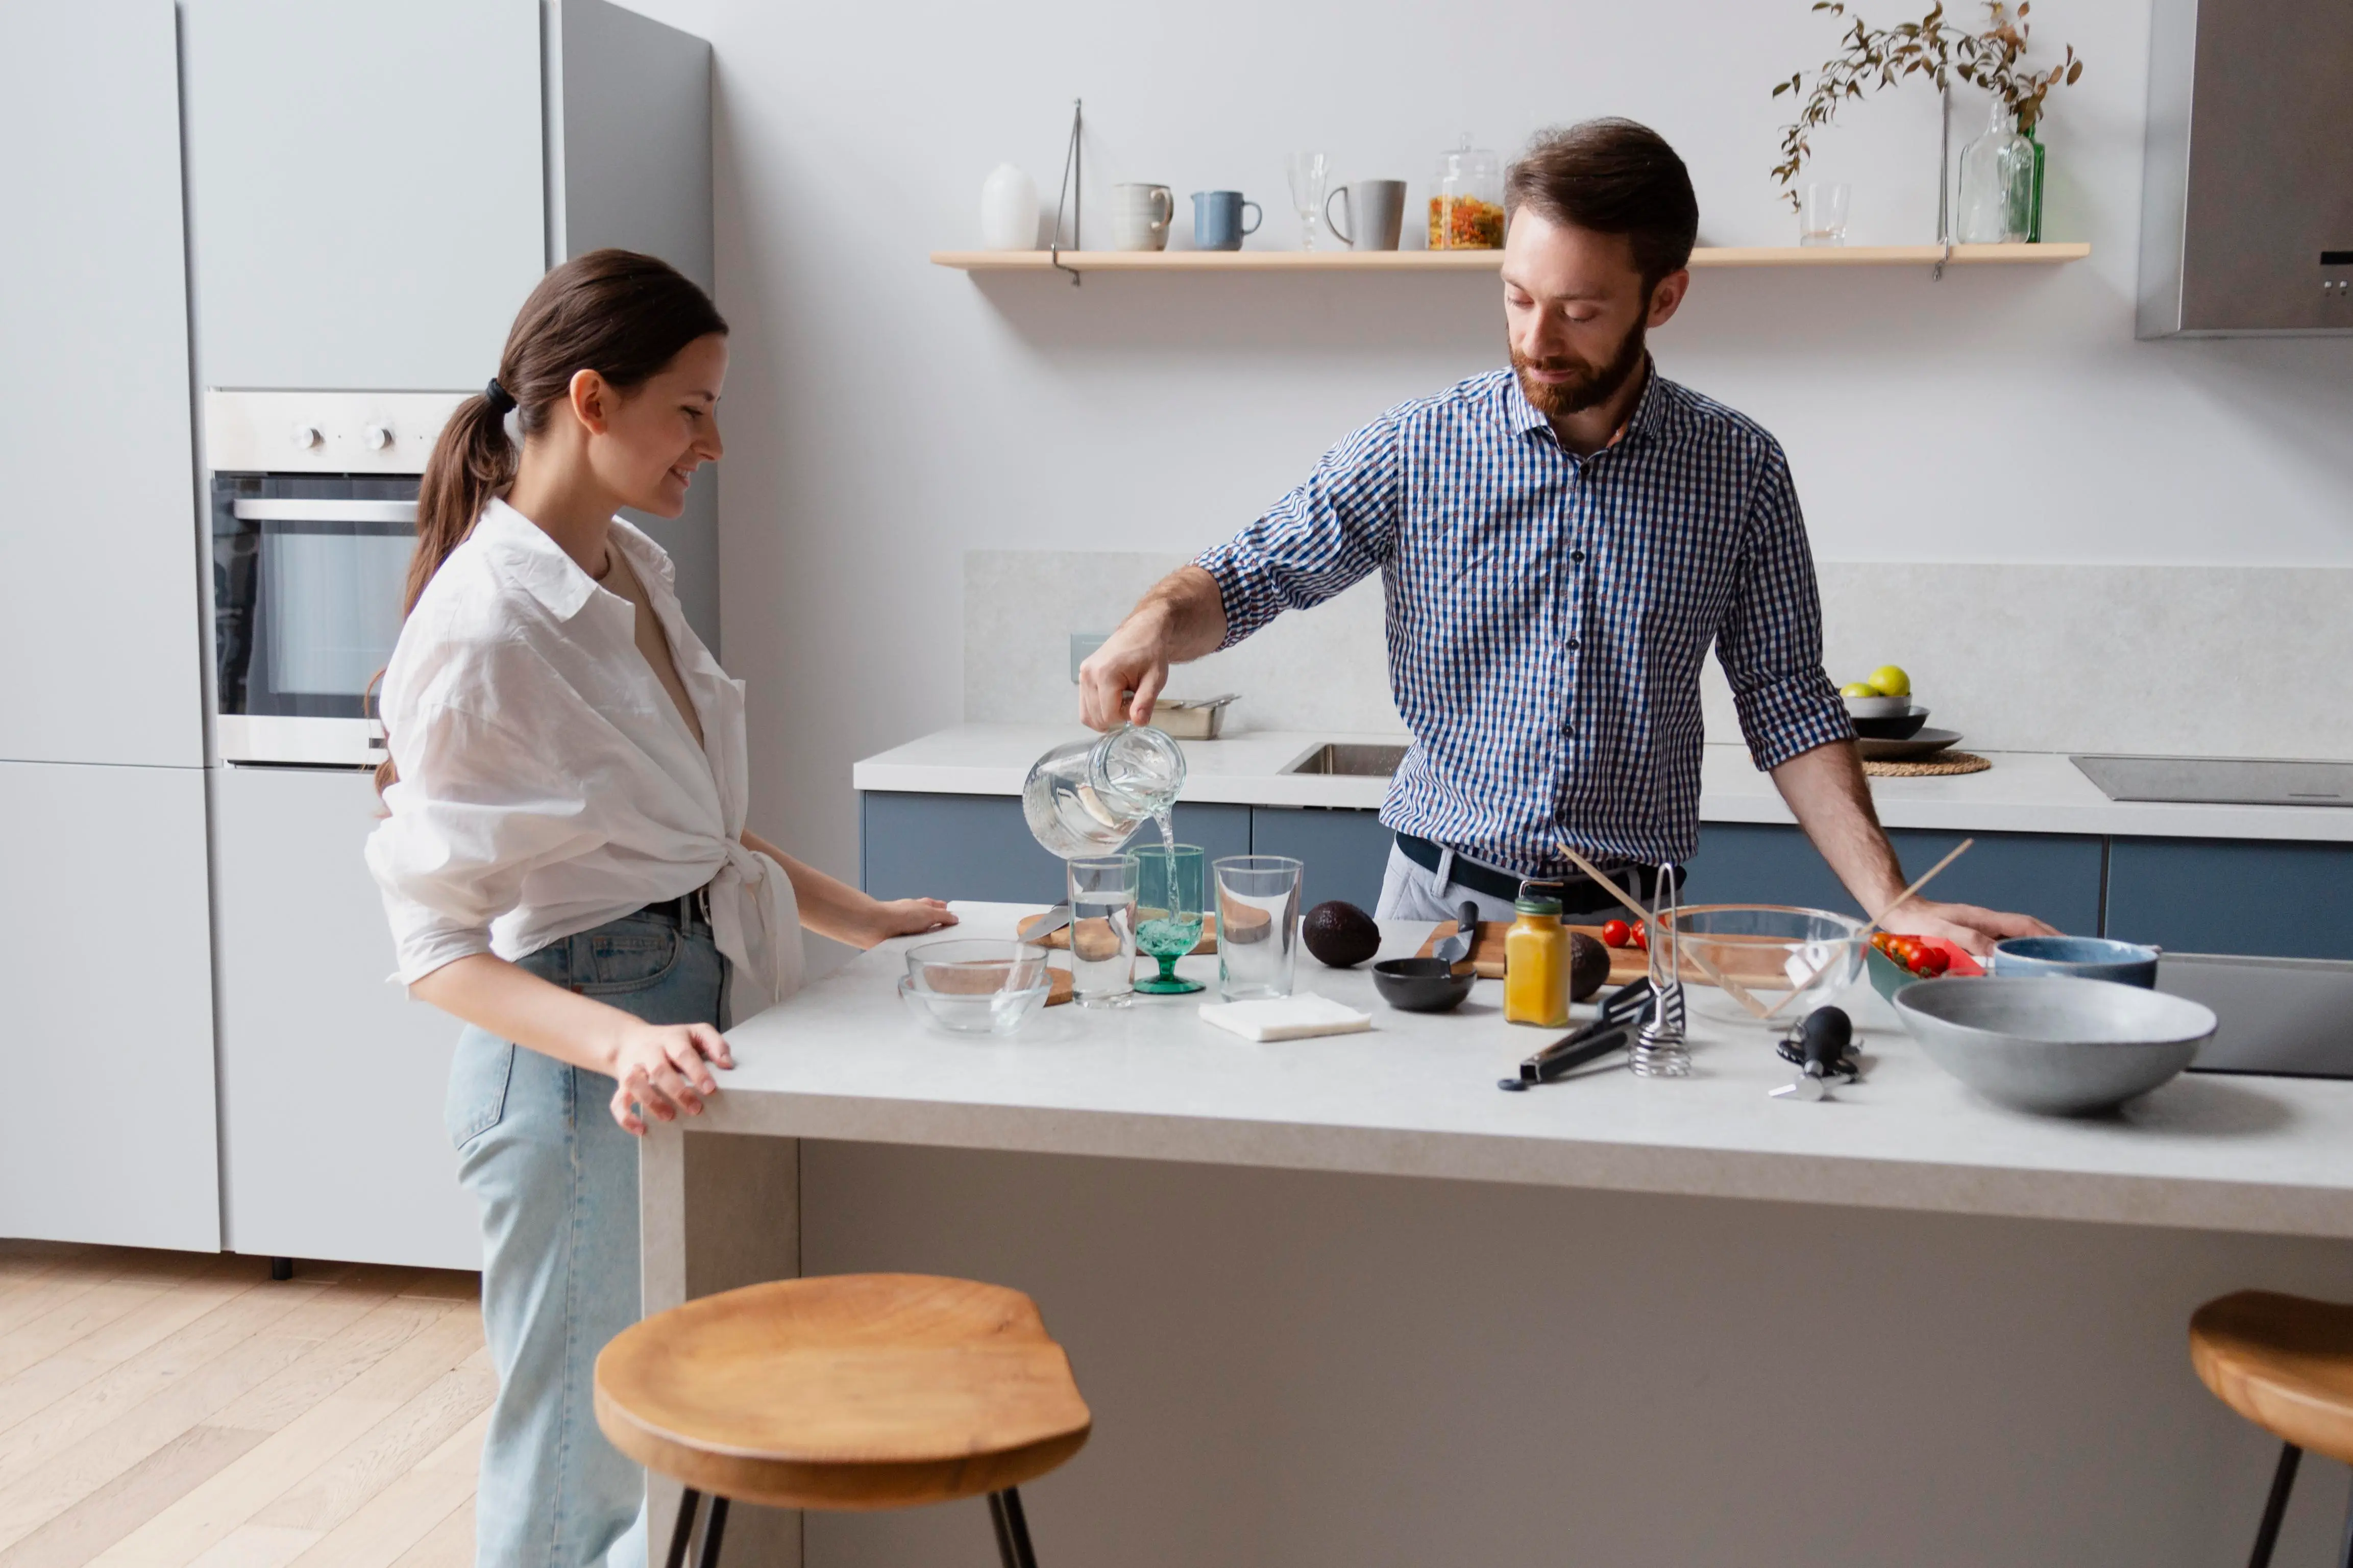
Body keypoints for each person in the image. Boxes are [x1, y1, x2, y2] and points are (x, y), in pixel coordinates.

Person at [1077, 120, 2054, 957]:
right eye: (1516, 296)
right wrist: (1148, 629)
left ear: (1662, 298)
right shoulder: (1419, 446)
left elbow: (1787, 701)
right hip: (1433, 909)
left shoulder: (1740, 470)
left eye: (1580, 311)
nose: (1538, 337)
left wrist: (1891, 899)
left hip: (1628, 925)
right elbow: (1252, 573)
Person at [364, 249, 954, 1567]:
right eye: (691, 408)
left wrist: (848, 913)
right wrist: (622, 1042)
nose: (717, 443)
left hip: (678, 1027)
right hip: (582, 1077)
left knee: (668, 1453)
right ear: (591, 400)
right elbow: (437, 954)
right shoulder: (481, 630)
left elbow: (673, 824)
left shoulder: (622, 564)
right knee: (573, 1470)